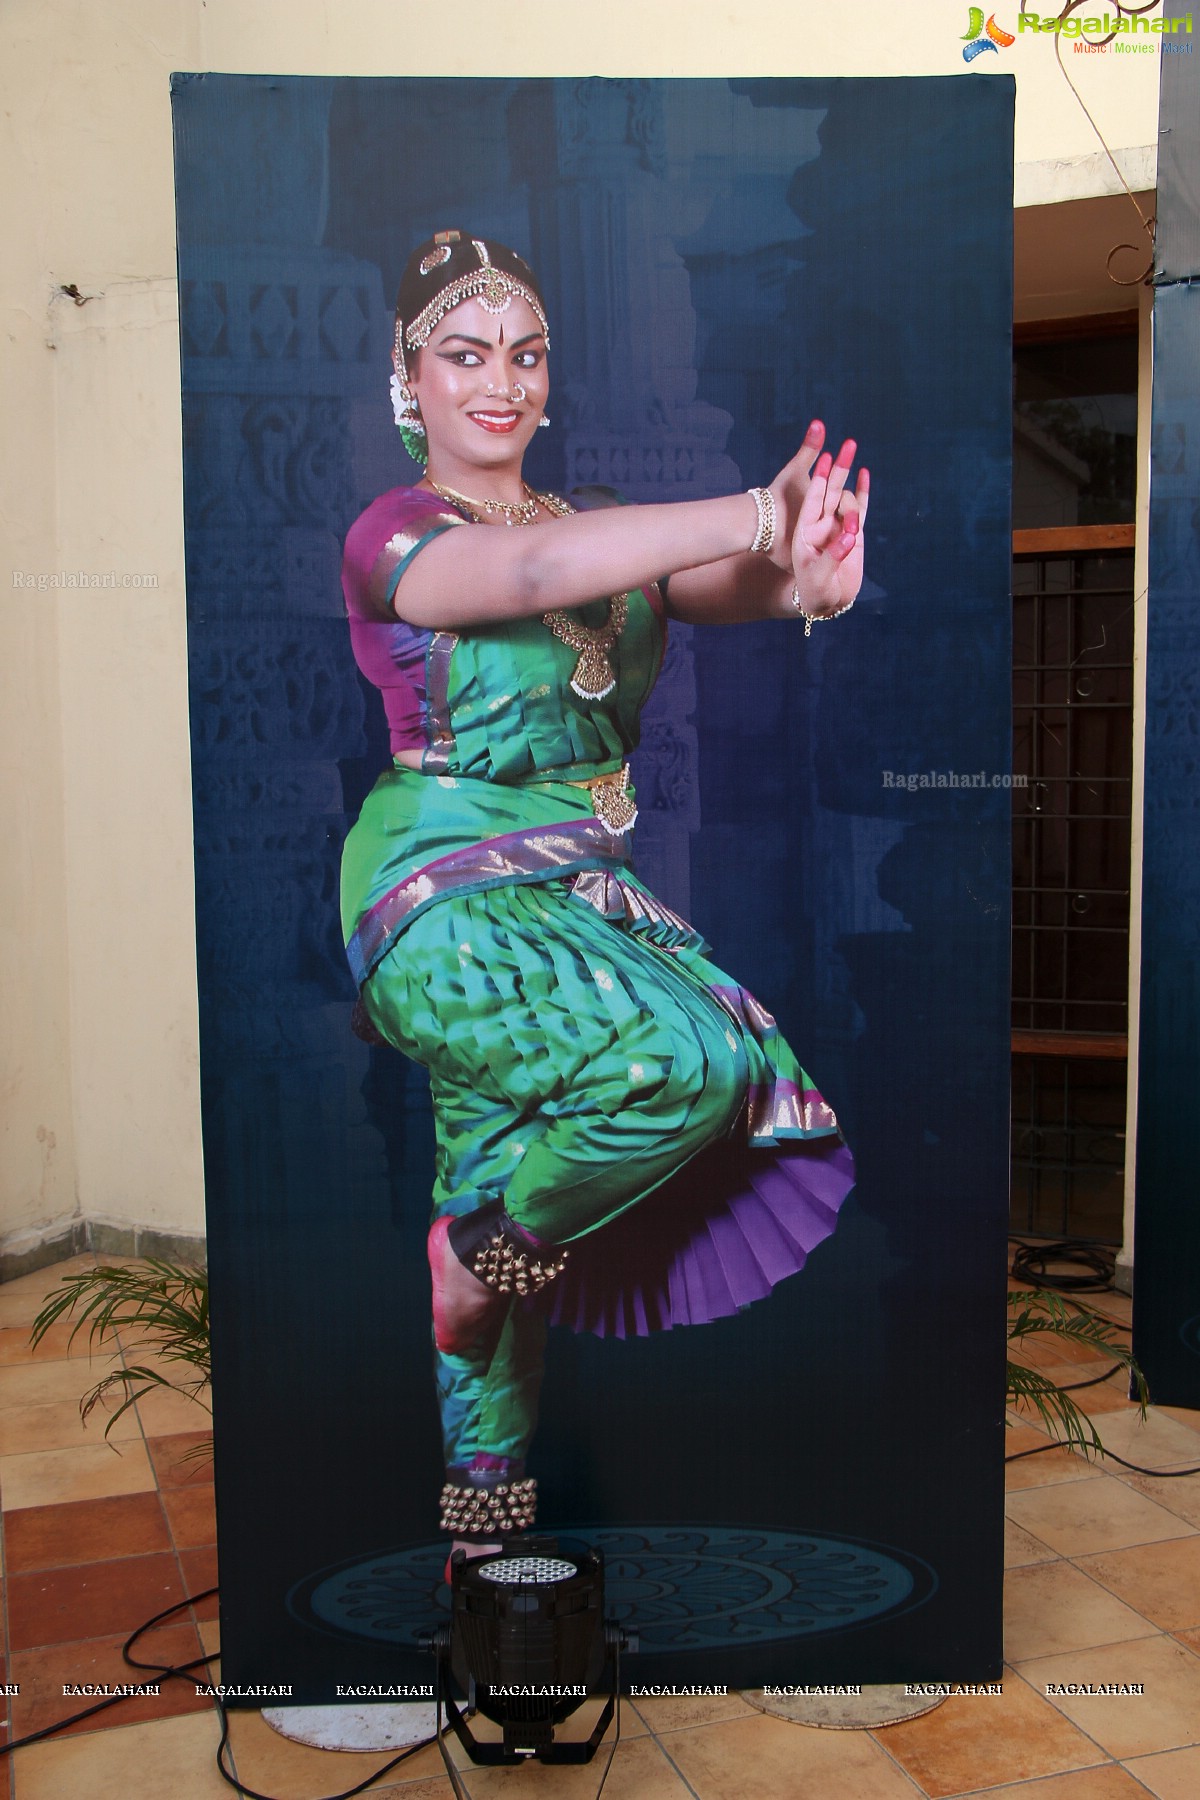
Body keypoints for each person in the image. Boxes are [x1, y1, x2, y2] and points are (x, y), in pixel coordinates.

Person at [340, 229, 865, 1559]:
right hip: (443, 903)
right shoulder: (398, 534)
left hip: (579, 906)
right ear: (410, 377)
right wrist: (753, 504)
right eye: (465, 355)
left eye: (524, 354)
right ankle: (482, 1252)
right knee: (683, 1065)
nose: (499, 382)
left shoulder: (590, 525)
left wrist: (801, 573)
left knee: (509, 1169)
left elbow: (709, 584)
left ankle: (481, 1527)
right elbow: (514, 583)